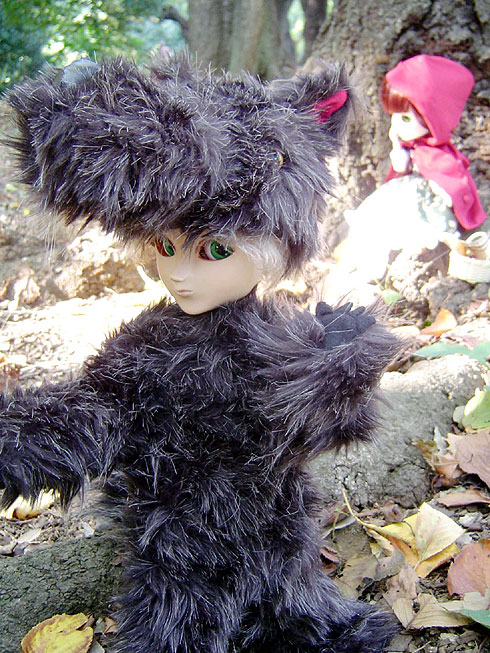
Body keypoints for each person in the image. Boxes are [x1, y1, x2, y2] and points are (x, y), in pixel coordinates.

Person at [0, 54, 399, 652]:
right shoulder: (147, 348)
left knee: (298, 609)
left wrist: (342, 366)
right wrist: (18, 437)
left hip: (279, 531)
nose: (179, 274)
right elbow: (93, 418)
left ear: (270, 247)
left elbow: (329, 426)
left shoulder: (281, 336)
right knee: (179, 628)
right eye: (165, 247)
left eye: (213, 250)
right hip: (182, 547)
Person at [332, 54, 486, 288]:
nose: (396, 125)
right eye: (393, 117)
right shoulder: (411, 148)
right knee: (377, 220)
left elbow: (452, 183)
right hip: (407, 195)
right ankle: (367, 264)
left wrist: (443, 191)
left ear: (432, 119)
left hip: (426, 205)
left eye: (405, 119)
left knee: (406, 230)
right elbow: (400, 168)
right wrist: (397, 146)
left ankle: (396, 267)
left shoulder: (440, 156)